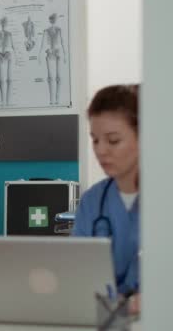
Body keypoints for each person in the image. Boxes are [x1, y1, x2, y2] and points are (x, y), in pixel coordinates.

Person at [72, 84, 140, 312]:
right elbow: (77, 274)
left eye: (112, 141)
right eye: (95, 140)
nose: (101, 151)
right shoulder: (93, 202)